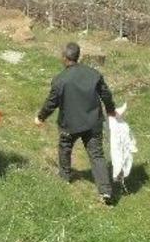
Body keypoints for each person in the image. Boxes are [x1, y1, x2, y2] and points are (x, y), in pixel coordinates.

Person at [35, 42, 117, 205]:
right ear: (78, 56)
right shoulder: (94, 74)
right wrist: (110, 110)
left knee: (65, 147)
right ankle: (105, 191)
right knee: (97, 155)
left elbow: (51, 103)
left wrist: (41, 117)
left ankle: (65, 176)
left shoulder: (60, 80)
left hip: (69, 124)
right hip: (93, 123)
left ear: (64, 58)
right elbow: (106, 94)